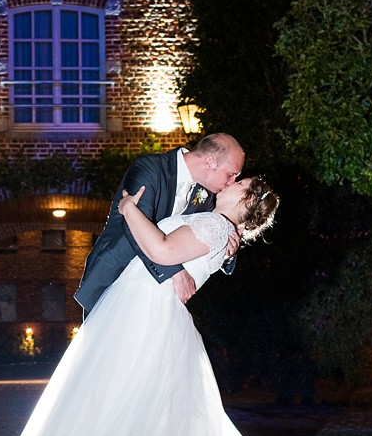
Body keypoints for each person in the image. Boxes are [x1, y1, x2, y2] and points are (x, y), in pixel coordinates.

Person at [0, 176, 372, 436]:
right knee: (127, 411)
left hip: (144, 315)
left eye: (237, 181)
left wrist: (129, 209)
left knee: (120, 407)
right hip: (141, 310)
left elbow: (161, 251)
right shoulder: (216, 226)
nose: (229, 181)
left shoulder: (214, 226)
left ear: (245, 198)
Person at [74, 132, 245, 319]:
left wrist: (228, 251)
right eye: (230, 175)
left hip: (155, 296)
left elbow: (209, 235)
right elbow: (132, 226)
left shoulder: (208, 195)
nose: (231, 183)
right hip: (114, 278)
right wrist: (174, 271)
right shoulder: (149, 168)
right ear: (210, 161)